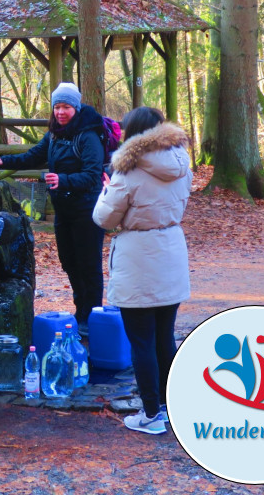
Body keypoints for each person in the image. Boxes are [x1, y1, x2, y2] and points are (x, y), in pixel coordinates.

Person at [92, 107, 192, 435]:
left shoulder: (128, 171)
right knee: (165, 337)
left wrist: (107, 190)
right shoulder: (181, 165)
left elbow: (103, 219)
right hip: (171, 252)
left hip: (138, 259)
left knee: (141, 341)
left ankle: (150, 414)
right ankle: (169, 403)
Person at [0, 82, 105, 335]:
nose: (61, 112)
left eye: (66, 107)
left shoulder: (88, 135)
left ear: (76, 108)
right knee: (69, 262)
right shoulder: (55, 134)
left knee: (88, 265)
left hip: (87, 210)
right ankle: (81, 311)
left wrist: (63, 180)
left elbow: (92, 174)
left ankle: (92, 317)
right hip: (64, 210)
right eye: (57, 107)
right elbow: (33, 155)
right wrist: (5, 161)